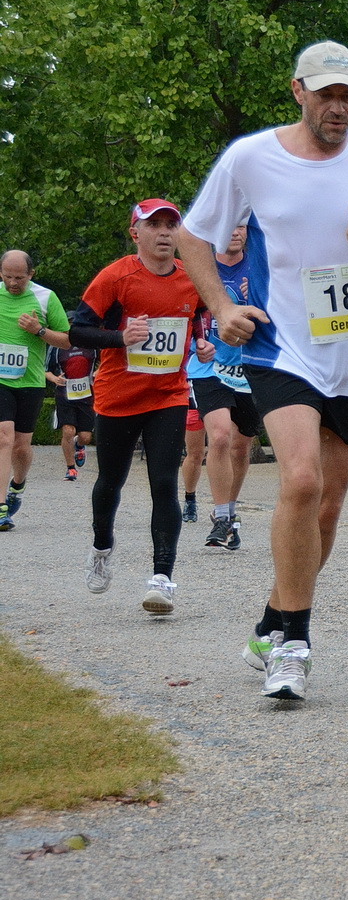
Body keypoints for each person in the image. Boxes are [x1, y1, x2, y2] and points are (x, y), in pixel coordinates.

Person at [179, 40, 348, 701]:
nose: (338, 106)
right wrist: (223, 305)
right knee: (301, 480)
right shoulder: (251, 158)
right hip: (280, 348)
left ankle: (270, 617)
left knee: (327, 506)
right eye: (326, 94)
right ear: (298, 91)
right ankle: (294, 643)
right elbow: (192, 235)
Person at [67, 202, 213, 612]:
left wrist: (202, 339)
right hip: (118, 395)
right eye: (155, 226)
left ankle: (162, 578)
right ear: (136, 233)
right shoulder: (115, 276)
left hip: (167, 394)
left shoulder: (192, 278)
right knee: (109, 482)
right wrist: (120, 337)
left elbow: (199, 312)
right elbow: (77, 330)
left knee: (163, 483)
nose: (165, 233)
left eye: (171, 225)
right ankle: (101, 549)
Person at [189, 225, 262, 551]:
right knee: (218, 436)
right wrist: (196, 344)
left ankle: (229, 513)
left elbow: (286, 317)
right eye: (227, 224)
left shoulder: (261, 267)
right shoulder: (200, 268)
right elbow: (182, 314)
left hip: (249, 368)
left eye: (240, 225)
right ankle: (220, 517)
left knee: (240, 447)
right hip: (208, 365)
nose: (233, 231)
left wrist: (259, 297)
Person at [0, 250, 72, 531]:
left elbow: (66, 340)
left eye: (19, 277)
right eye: (7, 277)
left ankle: (17, 485)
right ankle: (1, 508)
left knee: (20, 445)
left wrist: (39, 331)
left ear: (31, 274)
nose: (13, 283)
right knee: (3, 438)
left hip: (29, 381)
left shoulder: (45, 298)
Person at [45, 342, 96, 482]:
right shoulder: (56, 346)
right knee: (68, 431)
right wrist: (55, 379)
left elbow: (104, 362)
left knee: (85, 437)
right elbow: (45, 369)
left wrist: (99, 372)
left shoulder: (90, 343)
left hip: (87, 394)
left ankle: (79, 445)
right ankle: (70, 468)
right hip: (64, 393)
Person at [180, 390, 205, 522]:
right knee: (195, 454)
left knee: (224, 449)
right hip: (194, 398)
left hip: (224, 395)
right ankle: (190, 499)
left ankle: (225, 506)